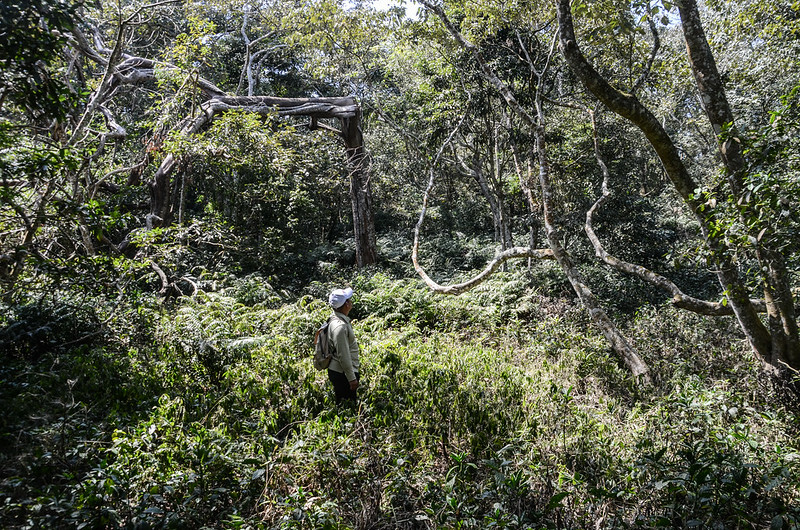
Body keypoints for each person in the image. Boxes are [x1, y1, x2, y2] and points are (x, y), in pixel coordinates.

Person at [326, 287, 360, 404]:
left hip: (341, 371)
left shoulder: (336, 319)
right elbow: (343, 355)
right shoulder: (340, 327)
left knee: (344, 405)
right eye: (349, 300)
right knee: (347, 406)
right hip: (343, 374)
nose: (351, 302)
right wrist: (352, 379)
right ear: (346, 304)